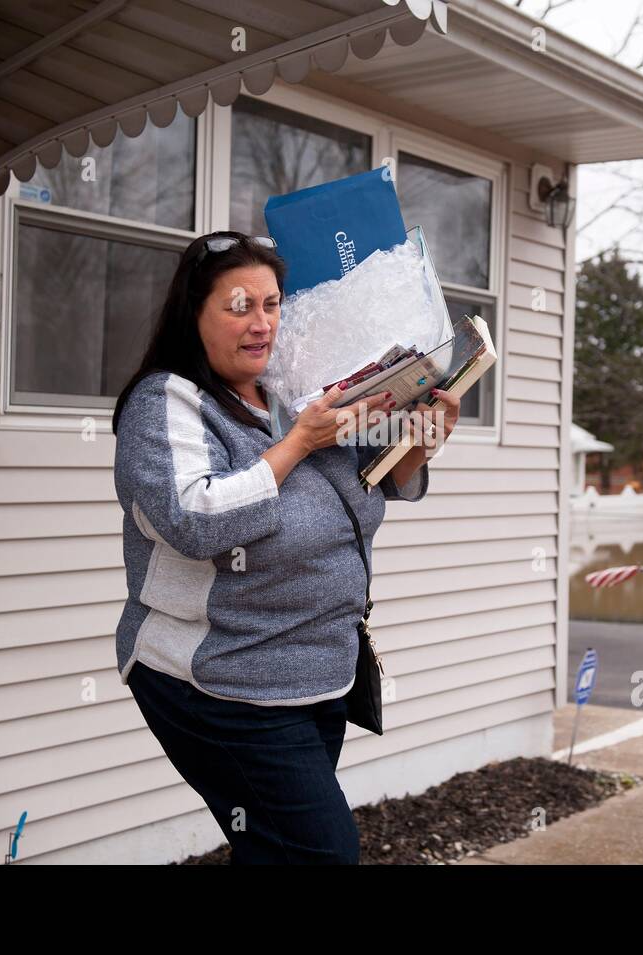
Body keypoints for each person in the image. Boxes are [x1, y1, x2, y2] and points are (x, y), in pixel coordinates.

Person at [110, 230, 460, 864]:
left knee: (275, 851)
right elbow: (194, 518)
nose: (261, 323)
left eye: (271, 305)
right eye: (239, 305)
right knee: (321, 854)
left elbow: (370, 485)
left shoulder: (293, 391)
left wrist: (421, 439)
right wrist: (297, 443)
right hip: (219, 676)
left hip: (314, 671)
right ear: (194, 313)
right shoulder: (167, 401)